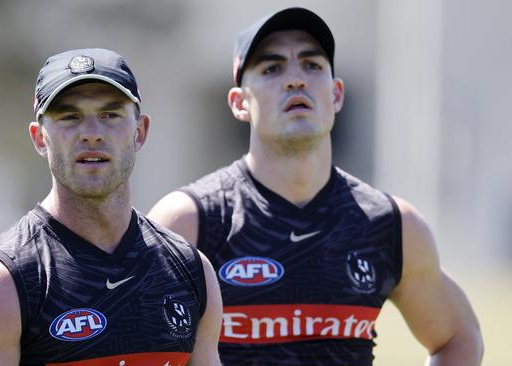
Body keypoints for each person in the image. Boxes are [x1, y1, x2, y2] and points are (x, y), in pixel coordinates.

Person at [148, 7, 483, 366]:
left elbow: (458, 338)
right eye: (272, 68)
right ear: (239, 103)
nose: (296, 80)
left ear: (337, 94)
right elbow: (133, 348)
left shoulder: (391, 225)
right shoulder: (188, 222)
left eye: (312, 65)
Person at [0, 48, 222, 366]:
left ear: (140, 132)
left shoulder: (190, 270)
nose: (91, 134)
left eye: (110, 115)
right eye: (69, 117)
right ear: (39, 138)